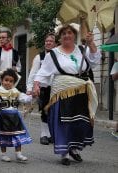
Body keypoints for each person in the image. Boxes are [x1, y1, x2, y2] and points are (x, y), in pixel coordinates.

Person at [32, 24, 101, 166]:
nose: (66, 35)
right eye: (63, 33)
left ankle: (74, 149)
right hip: (62, 91)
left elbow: (94, 61)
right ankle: (64, 153)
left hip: (81, 92)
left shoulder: (82, 50)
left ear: (74, 35)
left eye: (69, 33)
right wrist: (36, 84)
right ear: (60, 37)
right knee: (64, 122)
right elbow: (43, 71)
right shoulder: (53, 54)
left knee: (79, 122)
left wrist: (92, 43)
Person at [0, 68, 32, 162]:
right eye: (6, 80)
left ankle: (18, 154)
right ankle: (3, 154)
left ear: (14, 82)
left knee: (18, 134)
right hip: (3, 118)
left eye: (11, 81)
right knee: (3, 136)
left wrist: (32, 95)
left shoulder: (17, 93)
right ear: (1, 80)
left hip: (15, 117)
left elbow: (25, 99)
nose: (8, 83)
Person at [26, 33, 56, 145]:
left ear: (55, 43)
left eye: (51, 41)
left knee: (54, 112)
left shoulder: (59, 56)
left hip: (56, 88)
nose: (48, 43)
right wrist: (30, 89)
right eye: (46, 41)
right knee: (44, 111)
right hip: (44, 88)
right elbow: (33, 73)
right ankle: (44, 134)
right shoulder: (40, 57)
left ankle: (51, 134)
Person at [0, 28, 21, 95]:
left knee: (10, 103)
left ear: (9, 39)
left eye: (3, 37)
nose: (1, 39)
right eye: (0, 38)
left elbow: (19, 67)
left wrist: (16, 69)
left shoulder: (15, 53)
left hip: (11, 82)